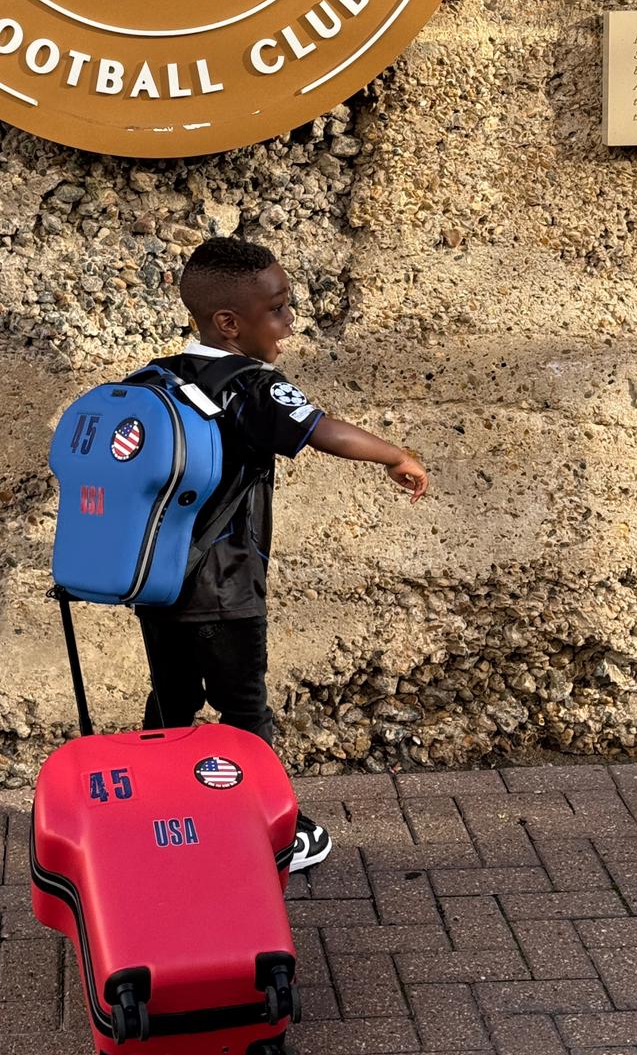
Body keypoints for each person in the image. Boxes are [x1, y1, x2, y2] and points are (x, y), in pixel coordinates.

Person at [136, 237, 429, 872]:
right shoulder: (250, 386)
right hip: (227, 585)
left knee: (171, 702)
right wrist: (396, 456)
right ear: (229, 324)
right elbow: (322, 430)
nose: (290, 322)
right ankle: (274, 830)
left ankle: (154, 814)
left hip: (157, 581)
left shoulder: (156, 377)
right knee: (245, 710)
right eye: (278, 309)